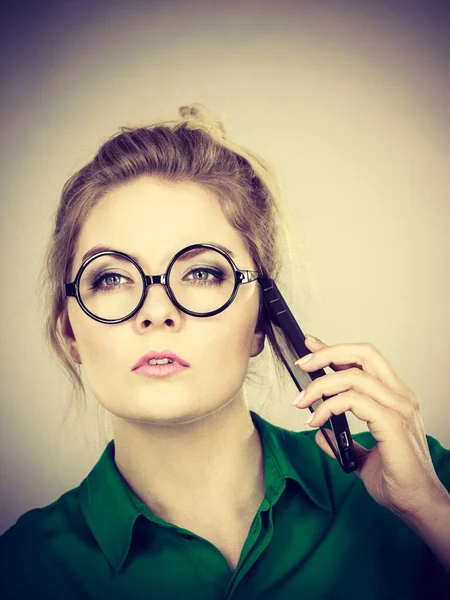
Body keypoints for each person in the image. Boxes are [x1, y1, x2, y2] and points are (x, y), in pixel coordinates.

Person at [1, 103, 449, 599]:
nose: (156, 312)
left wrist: (429, 508)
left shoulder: (422, 481)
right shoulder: (22, 570)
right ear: (69, 332)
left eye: (202, 272)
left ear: (261, 321)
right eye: (111, 278)